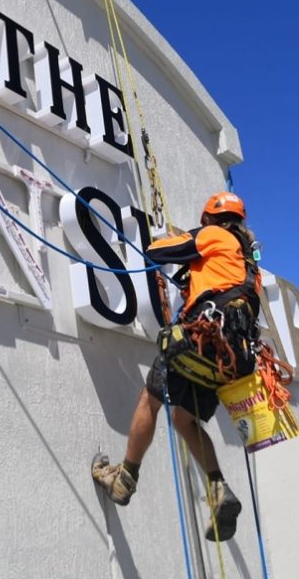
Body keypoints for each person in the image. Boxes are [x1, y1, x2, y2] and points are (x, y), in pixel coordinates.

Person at [92, 191, 262, 542]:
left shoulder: (212, 235)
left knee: (148, 401)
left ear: (209, 219)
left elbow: (157, 253)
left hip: (202, 339)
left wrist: (175, 240)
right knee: (184, 419)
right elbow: (220, 287)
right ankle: (218, 489)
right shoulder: (248, 263)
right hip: (231, 356)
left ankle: (124, 480)